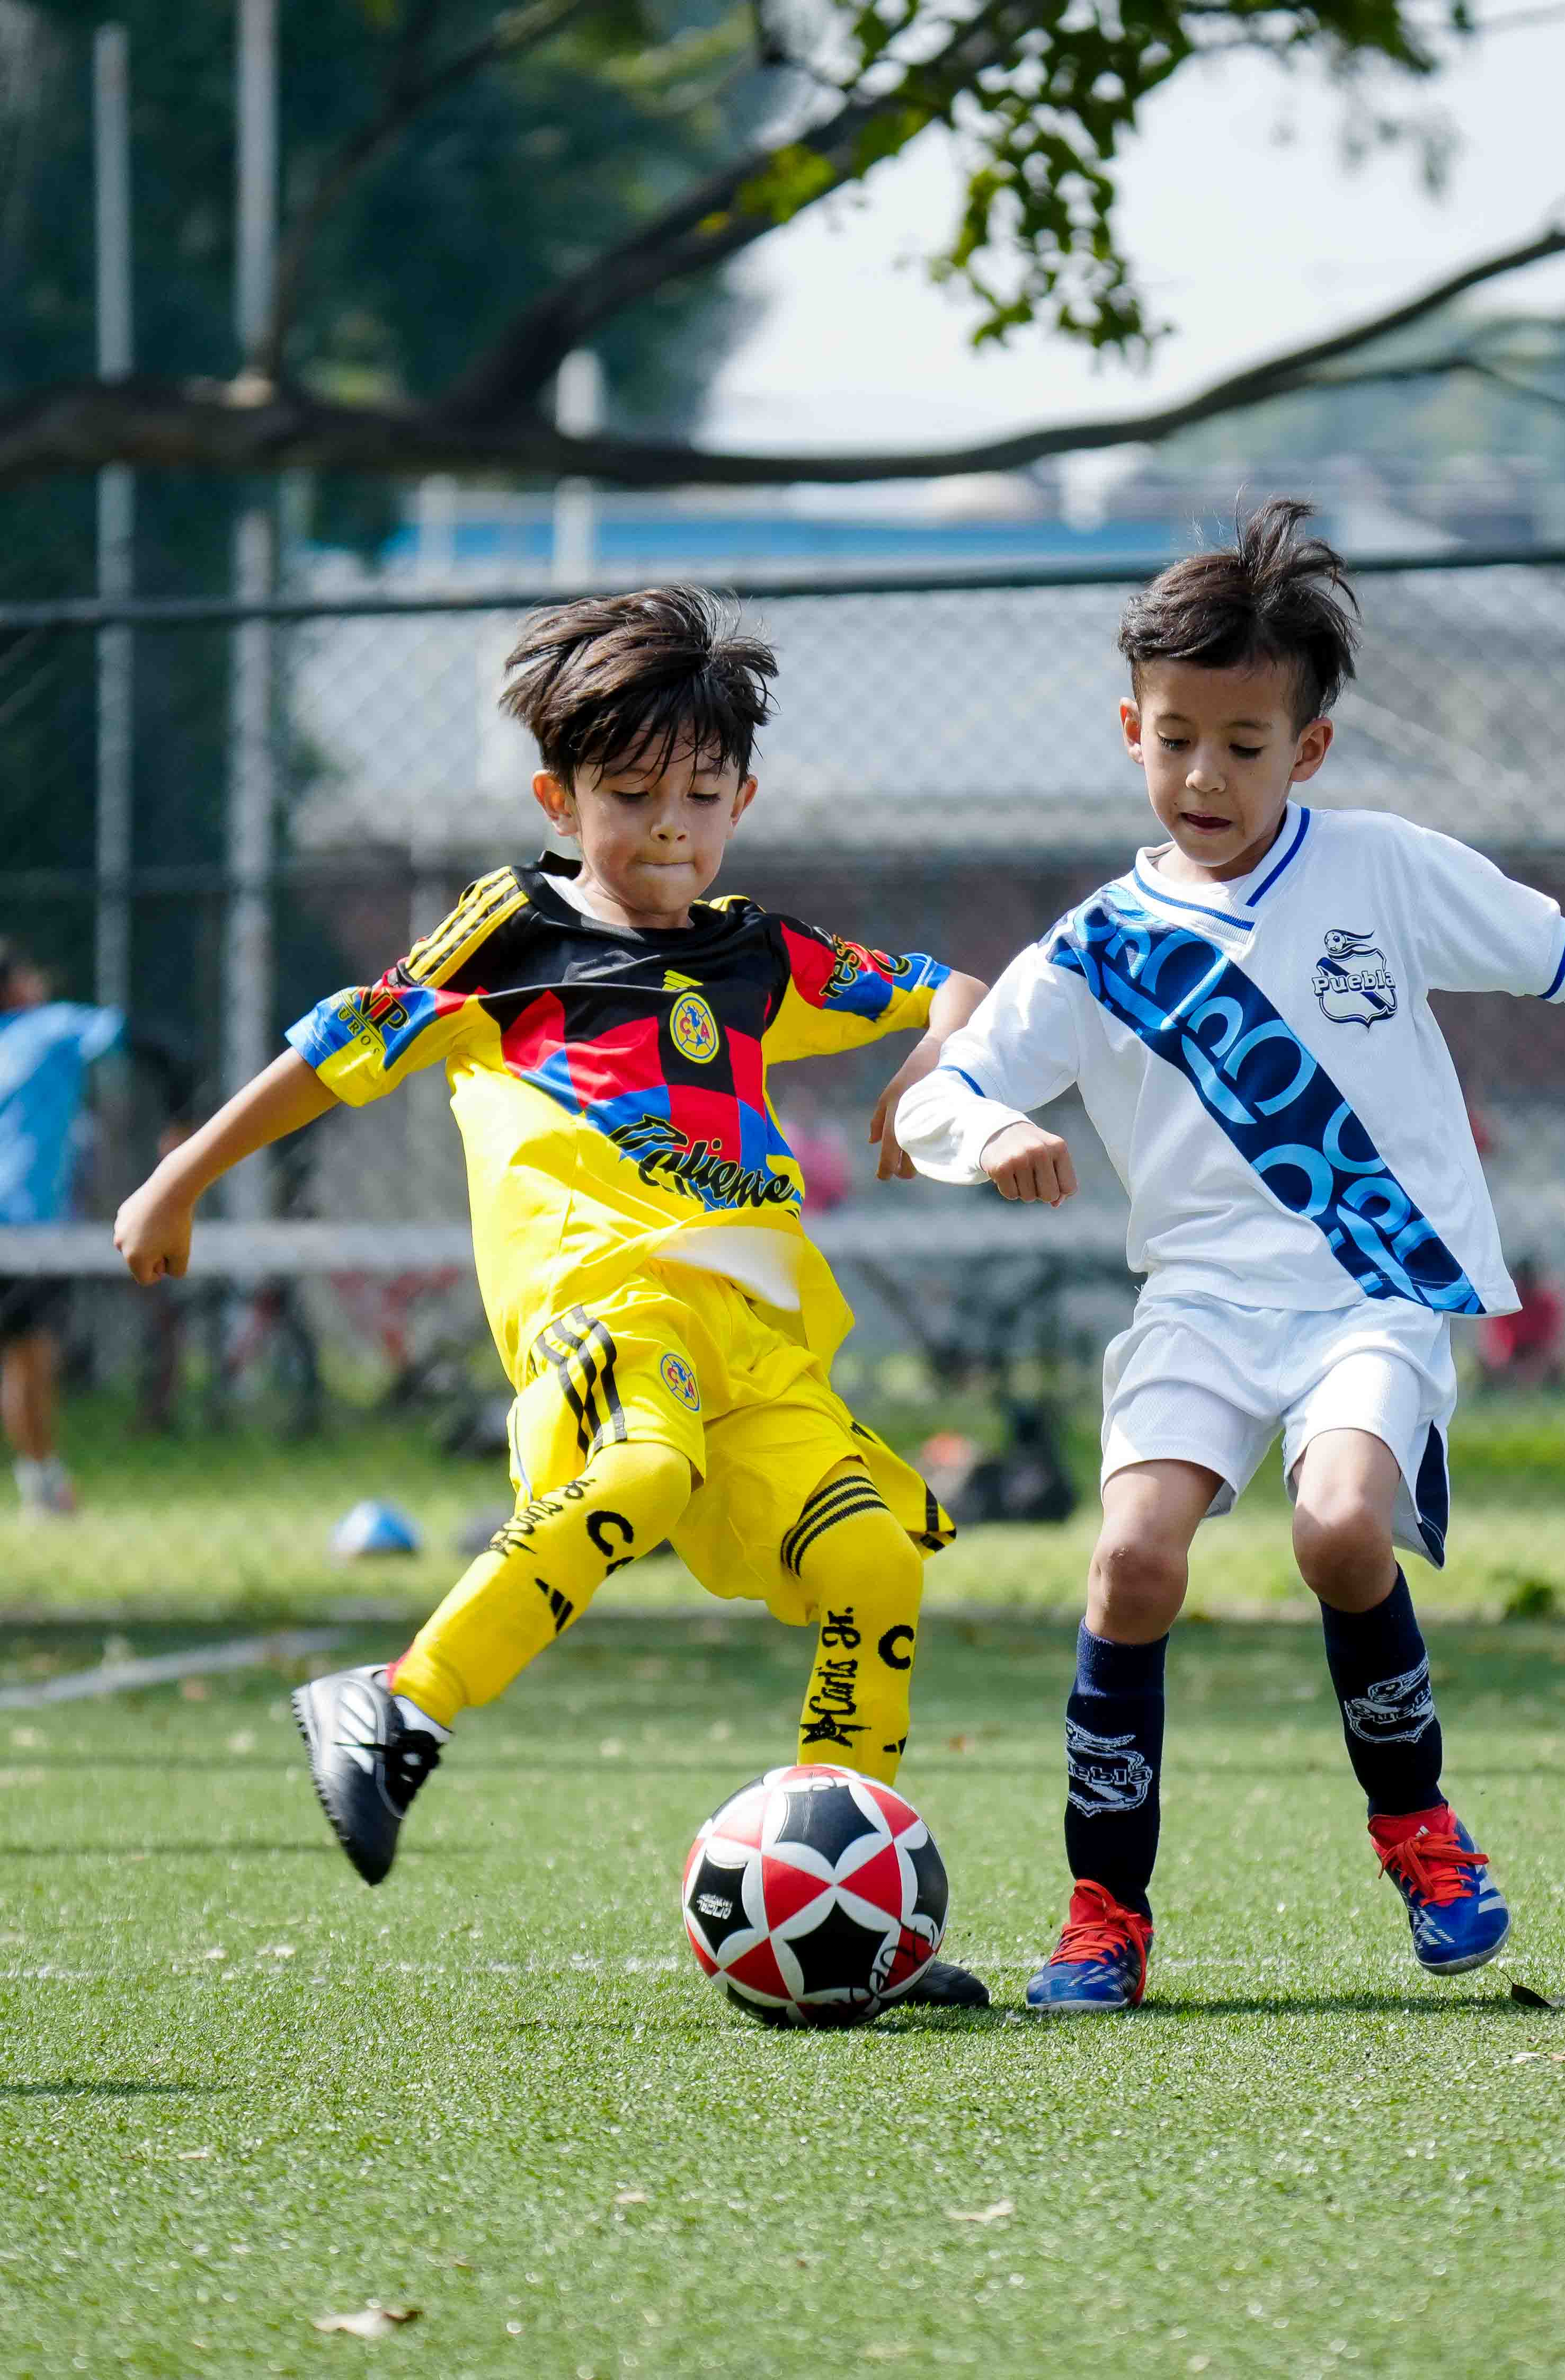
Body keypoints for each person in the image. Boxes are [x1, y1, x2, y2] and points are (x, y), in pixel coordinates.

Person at [896, 499, 1565, 2011]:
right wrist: (990, 1131)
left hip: (1373, 1288)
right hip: (1198, 1305)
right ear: (1131, 730)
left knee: (1340, 1525)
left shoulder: (1386, 871)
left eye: (1244, 743)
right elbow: (937, 1097)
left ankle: (1418, 1829)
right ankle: (1102, 1911)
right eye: (1174, 739)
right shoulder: (1096, 946)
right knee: (1132, 1560)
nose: (1204, 775)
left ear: (1311, 748)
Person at [115, 588, 991, 2010]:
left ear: (742, 799)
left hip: (758, 1346)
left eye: (699, 797)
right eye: (629, 795)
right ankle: (396, 1701)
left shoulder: (757, 954)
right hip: (605, 1308)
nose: (667, 827)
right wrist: (180, 1177)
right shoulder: (513, 933)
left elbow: (960, 987)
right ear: (558, 798)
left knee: (874, 1560)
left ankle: (853, 1895)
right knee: (638, 1472)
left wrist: (926, 1062)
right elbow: (338, 1045)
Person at [0, 944, 124, 1517]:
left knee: (21, 1359)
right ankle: (45, 1484)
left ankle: (41, 1482)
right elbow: (138, 1036)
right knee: (30, 1358)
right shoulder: (51, 1027)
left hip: (25, 1230)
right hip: (29, 1231)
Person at [1475, 1255, 1565, 1390]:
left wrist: (1537, 1363)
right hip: (1512, 1357)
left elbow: (1553, 1341)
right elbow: (1498, 1345)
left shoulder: (1546, 1303)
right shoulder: (1506, 1304)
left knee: (1558, 1367)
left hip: (1540, 1356)